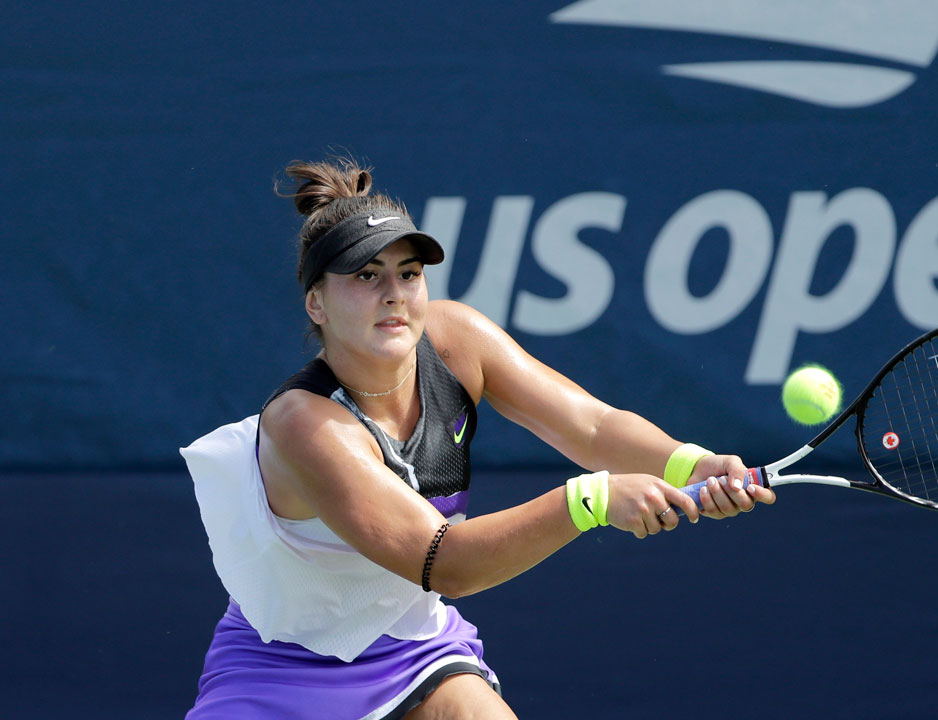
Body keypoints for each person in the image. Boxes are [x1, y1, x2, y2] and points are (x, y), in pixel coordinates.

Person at [180, 156, 773, 719]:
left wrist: (689, 464)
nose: (394, 294)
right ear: (317, 303)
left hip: (414, 651)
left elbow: (591, 425)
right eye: (366, 276)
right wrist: (590, 502)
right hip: (283, 671)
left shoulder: (456, 339)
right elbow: (444, 563)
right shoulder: (304, 423)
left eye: (409, 274)